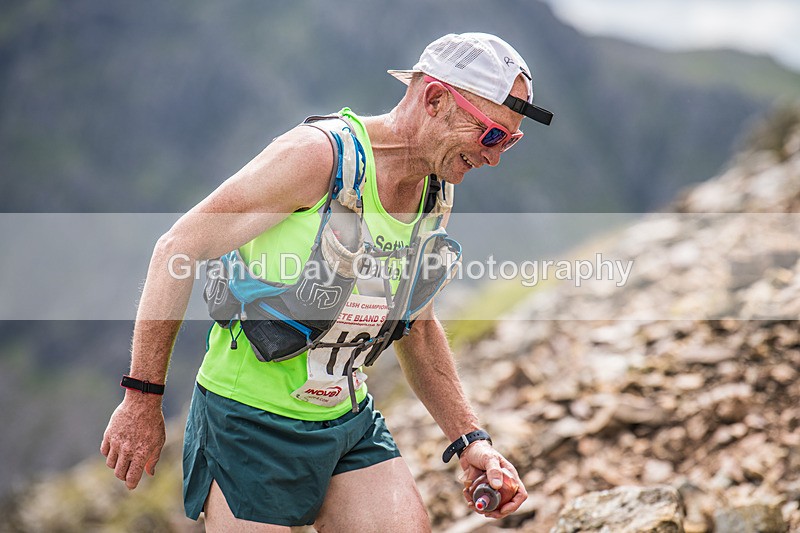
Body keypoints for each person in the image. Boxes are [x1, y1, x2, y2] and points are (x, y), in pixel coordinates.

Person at [101, 32, 553, 531]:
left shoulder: (435, 192)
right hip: (248, 421)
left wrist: (471, 440)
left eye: (510, 141)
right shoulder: (318, 157)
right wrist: (142, 397)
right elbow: (177, 248)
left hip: (345, 420)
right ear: (435, 98)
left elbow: (416, 326)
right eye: (491, 134)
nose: (495, 157)